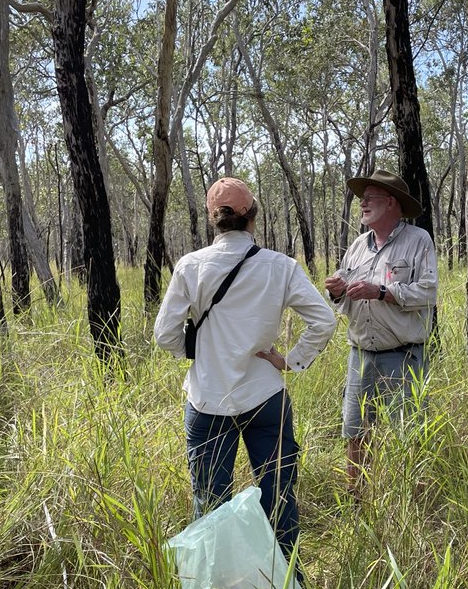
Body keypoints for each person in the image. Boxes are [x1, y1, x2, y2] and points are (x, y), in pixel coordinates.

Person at [153, 177, 336, 563]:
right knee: (279, 499)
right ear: (253, 216)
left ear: (212, 219)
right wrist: (291, 360)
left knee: (211, 507)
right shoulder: (280, 267)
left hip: (207, 401)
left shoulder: (190, 266)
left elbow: (164, 335)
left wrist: (197, 352)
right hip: (265, 396)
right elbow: (324, 320)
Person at [324, 169, 438, 486]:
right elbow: (345, 301)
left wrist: (383, 293)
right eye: (362, 199)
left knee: (408, 435)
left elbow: (429, 292)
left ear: (391, 203)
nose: (362, 204)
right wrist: (336, 291)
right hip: (360, 357)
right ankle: (358, 502)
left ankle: (410, 508)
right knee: (356, 433)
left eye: (369, 198)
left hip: (402, 358)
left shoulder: (419, 241)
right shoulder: (358, 246)